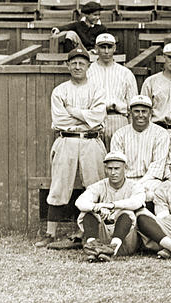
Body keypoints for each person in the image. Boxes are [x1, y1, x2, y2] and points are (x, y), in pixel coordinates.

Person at [37, 47, 107, 249]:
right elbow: (60, 119)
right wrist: (84, 116)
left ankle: (89, 233)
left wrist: (73, 111)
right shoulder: (60, 90)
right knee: (59, 185)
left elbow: (97, 119)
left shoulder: (97, 89)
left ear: (88, 66)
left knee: (94, 185)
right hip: (66, 139)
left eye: (81, 63)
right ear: (68, 65)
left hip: (91, 140)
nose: (77, 66)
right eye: (74, 63)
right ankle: (50, 233)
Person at [76, 152, 144, 262]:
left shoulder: (134, 185)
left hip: (124, 240)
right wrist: (96, 208)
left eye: (117, 168)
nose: (113, 173)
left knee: (128, 214)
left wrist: (112, 205)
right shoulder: (100, 185)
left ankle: (112, 250)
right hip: (102, 236)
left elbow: (137, 202)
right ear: (105, 169)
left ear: (125, 168)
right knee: (87, 213)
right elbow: (80, 202)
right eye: (109, 169)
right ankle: (93, 247)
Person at [109, 95, 169, 201]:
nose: (140, 115)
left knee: (150, 195)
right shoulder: (120, 134)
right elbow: (117, 164)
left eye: (144, 111)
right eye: (136, 111)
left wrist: (137, 185)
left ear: (150, 113)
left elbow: (157, 167)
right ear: (130, 112)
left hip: (150, 181)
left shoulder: (161, 134)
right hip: (125, 180)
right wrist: (127, 184)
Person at [87, 33, 137, 145]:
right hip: (95, 121)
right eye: (102, 47)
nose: (106, 51)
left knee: (118, 159)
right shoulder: (88, 72)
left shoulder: (125, 73)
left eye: (109, 47)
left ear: (114, 48)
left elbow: (132, 106)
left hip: (119, 119)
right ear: (96, 48)